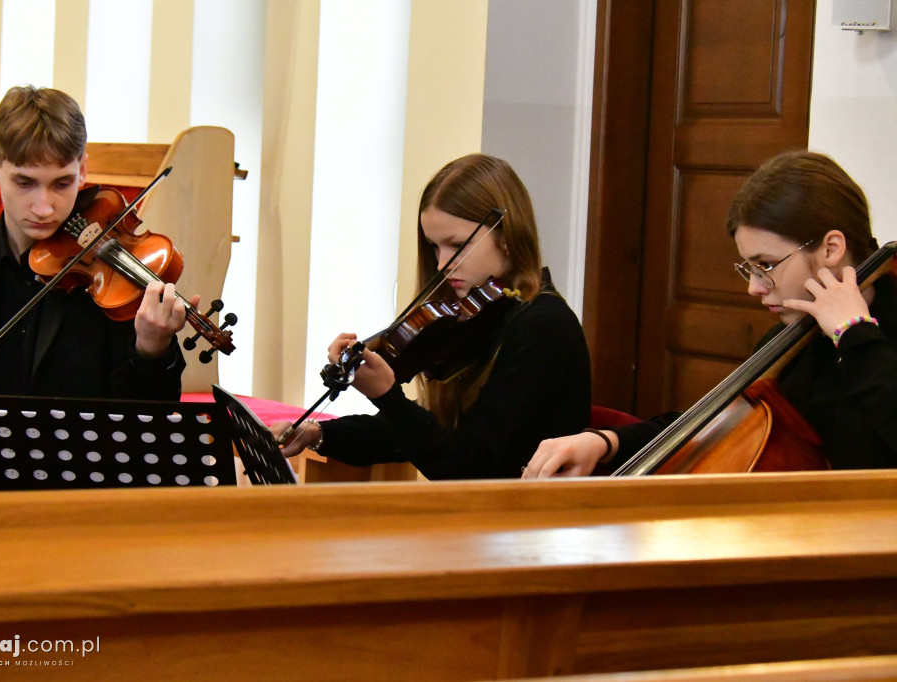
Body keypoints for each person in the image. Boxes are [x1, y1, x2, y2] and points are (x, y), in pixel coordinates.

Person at [523, 150, 897, 478]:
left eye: (766, 265)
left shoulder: (874, 334)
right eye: (748, 268)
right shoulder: (795, 342)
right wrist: (606, 442)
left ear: (831, 248)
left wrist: (854, 333)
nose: (754, 287)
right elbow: (713, 425)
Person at [0, 85, 193, 440]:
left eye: (61, 183)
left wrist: (150, 348)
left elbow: (147, 424)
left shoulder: (113, 279)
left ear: (83, 170)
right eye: (24, 182)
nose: (44, 207)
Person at [274, 153, 591, 479]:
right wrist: (318, 433)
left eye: (456, 245)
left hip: (524, 522)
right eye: (433, 246)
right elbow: (421, 434)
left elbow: (468, 467)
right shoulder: (485, 318)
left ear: (506, 236)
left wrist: (387, 395)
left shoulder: (542, 326)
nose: (442, 263)